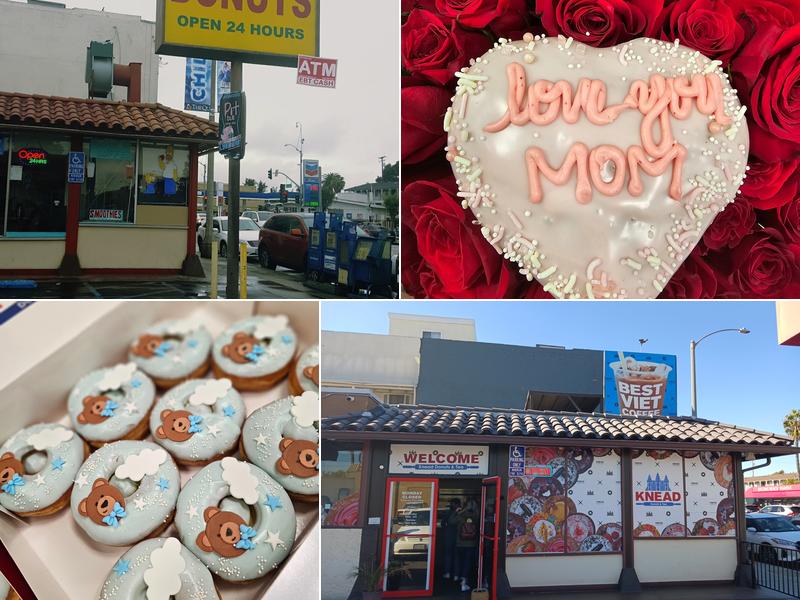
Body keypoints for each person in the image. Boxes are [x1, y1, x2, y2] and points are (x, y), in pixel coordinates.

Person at [452, 499, 479, 592]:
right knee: (467, 563)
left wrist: (459, 511)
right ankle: (464, 581)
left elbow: (451, 521)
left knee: (459, 561)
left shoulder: (461, 515)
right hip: (471, 544)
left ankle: (456, 577)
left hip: (460, 543)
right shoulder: (476, 516)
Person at [441, 498, 462, 580]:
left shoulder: (449, 513)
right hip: (460, 538)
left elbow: (443, 523)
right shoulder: (462, 512)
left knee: (449, 555)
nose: (451, 505)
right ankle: (456, 574)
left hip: (450, 536)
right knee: (457, 556)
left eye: (452, 503)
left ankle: (448, 573)